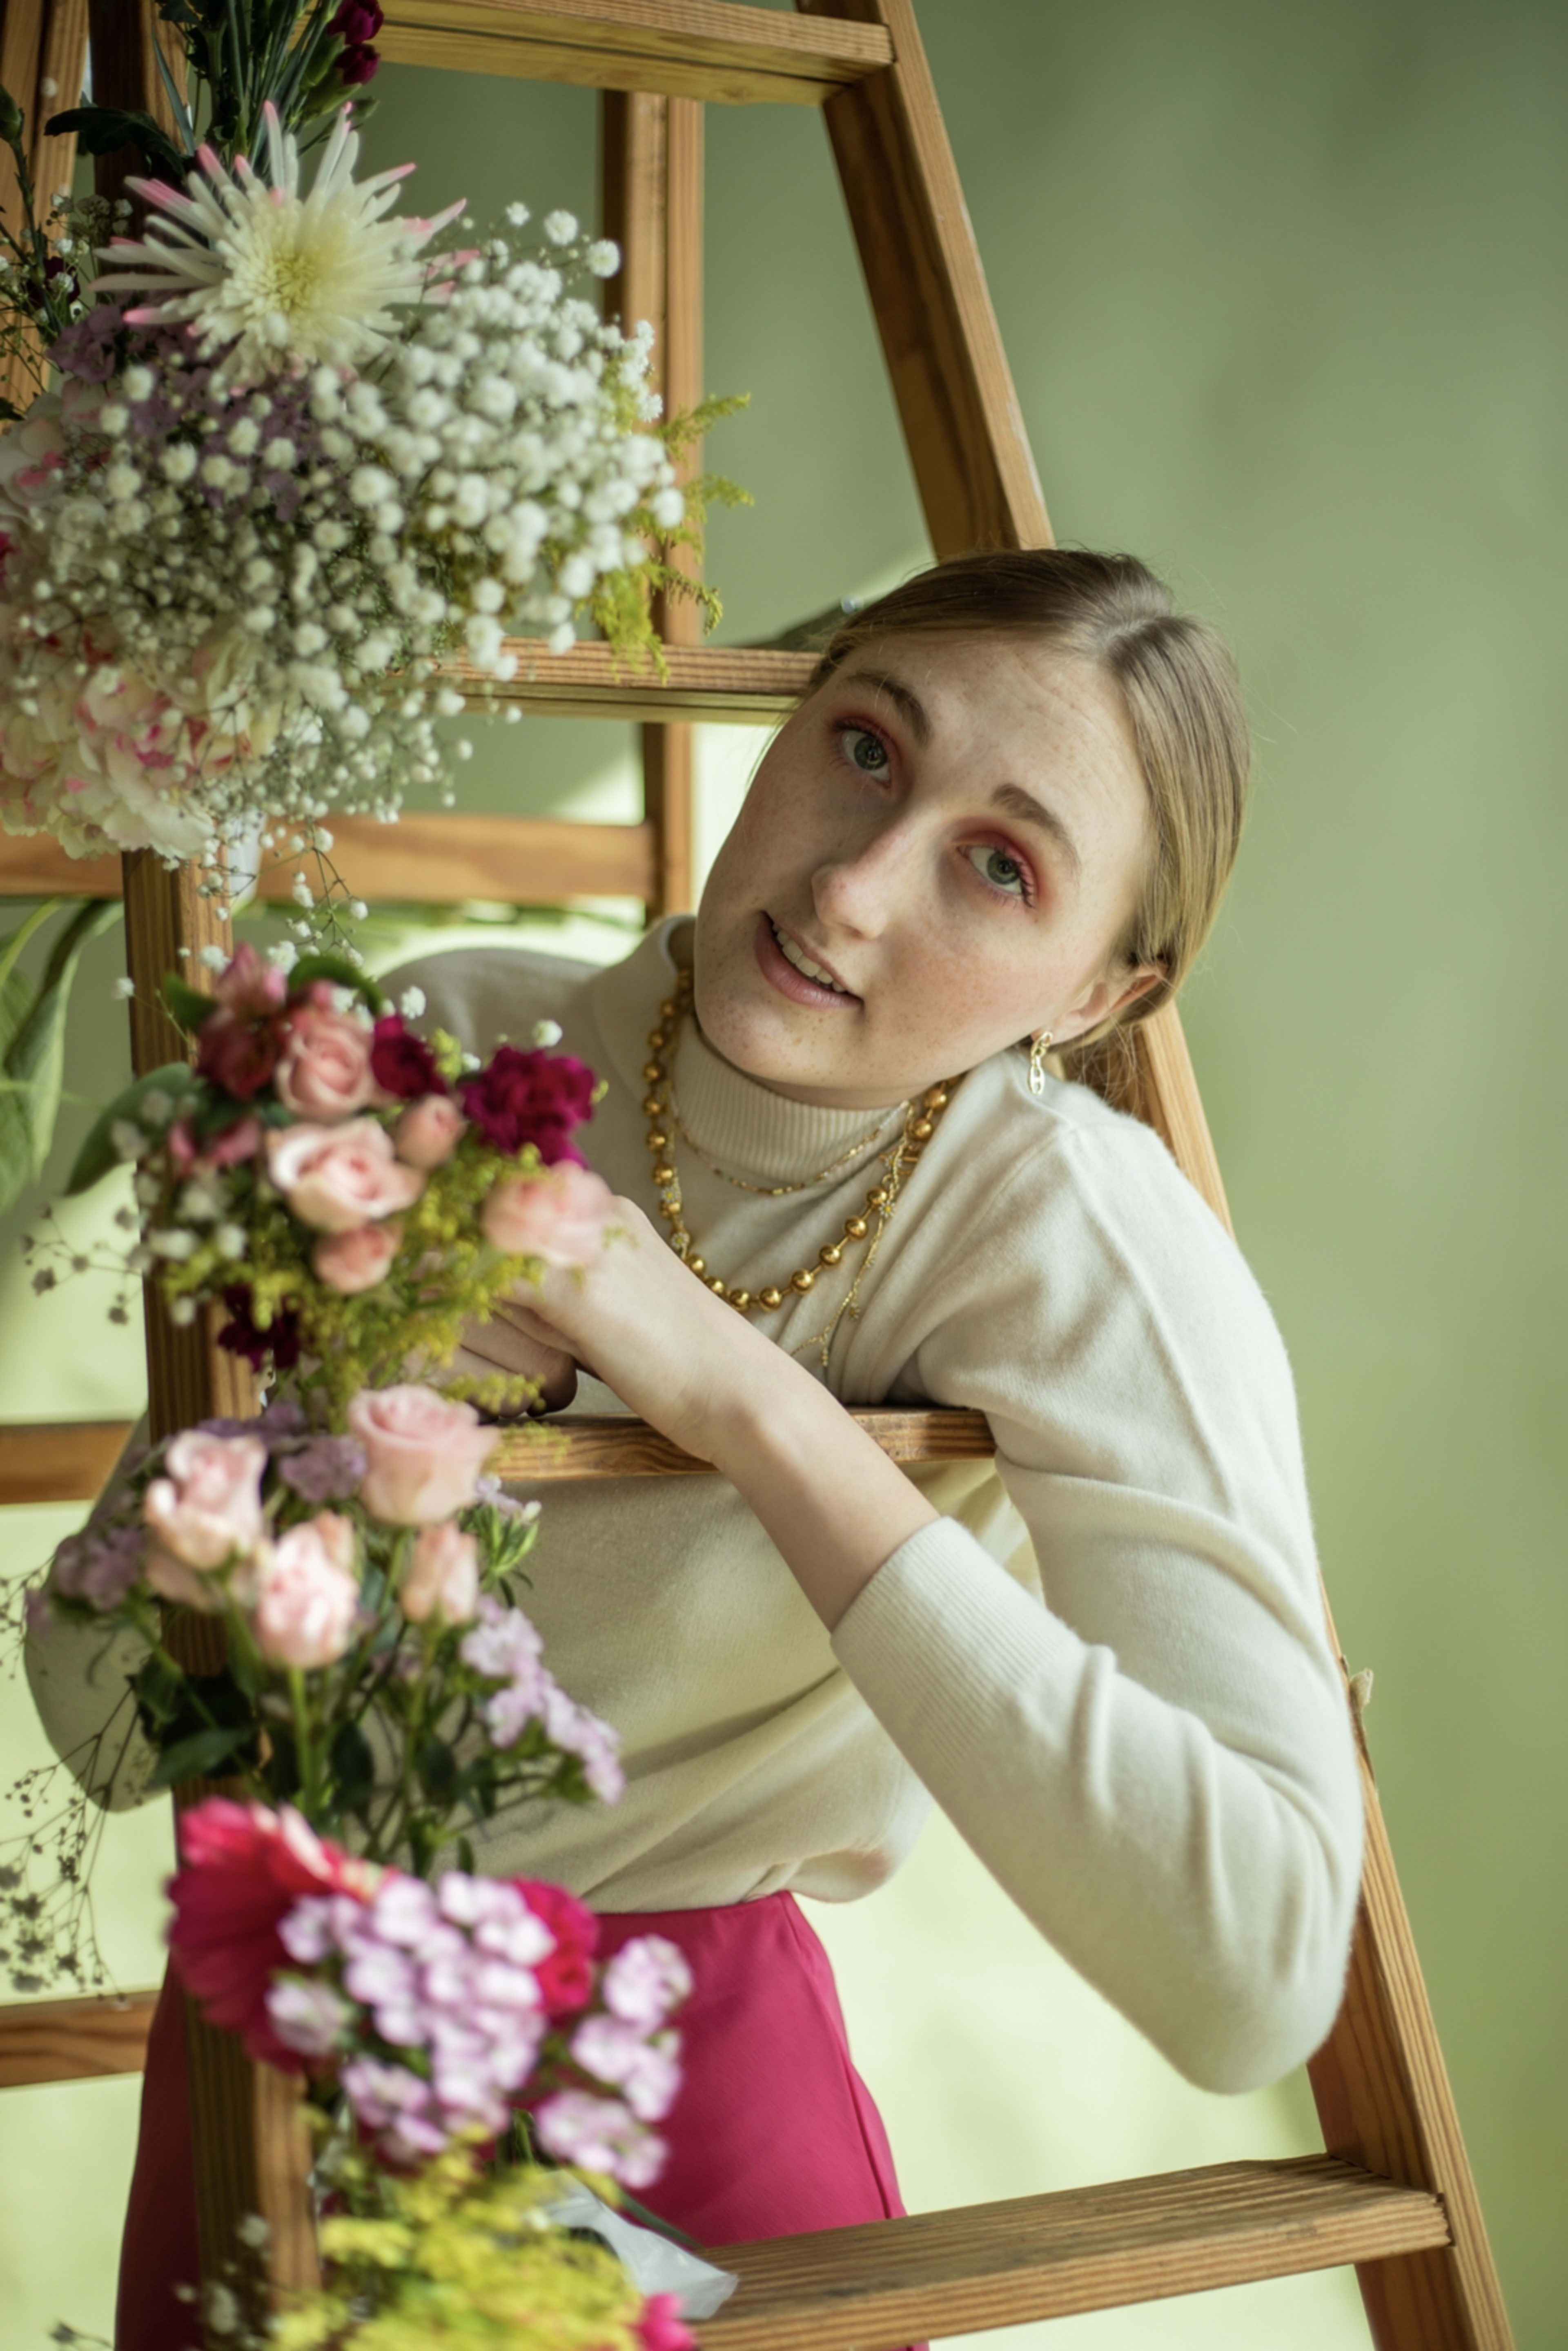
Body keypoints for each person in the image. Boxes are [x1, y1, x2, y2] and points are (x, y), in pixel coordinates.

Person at [31, 548, 1364, 2339]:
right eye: (868, 748)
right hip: (284, 2049)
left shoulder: (1070, 1234)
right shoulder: (455, 1041)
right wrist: (335, 1412)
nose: (851, 885)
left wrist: (733, 1395)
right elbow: (98, 1717)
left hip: (684, 2086)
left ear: (1100, 998)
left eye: (1000, 866)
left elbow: (1256, 1981)